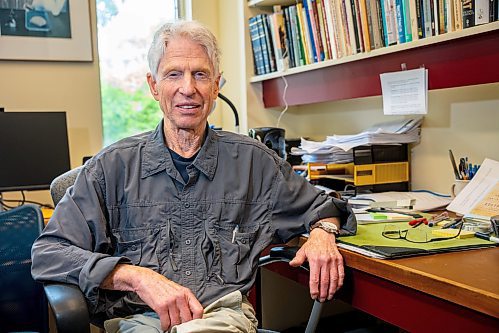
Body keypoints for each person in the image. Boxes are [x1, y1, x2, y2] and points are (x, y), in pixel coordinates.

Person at [31, 20, 356, 333]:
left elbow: (324, 208)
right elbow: (49, 253)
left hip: (221, 317)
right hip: (140, 320)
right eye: (174, 74)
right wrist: (137, 277)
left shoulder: (255, 163)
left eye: (200, 74)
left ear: (216, 85)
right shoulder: (111, 168)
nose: (188, 88)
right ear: (154, 86)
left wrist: (322, 235)